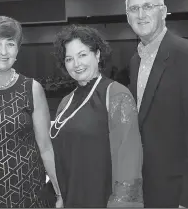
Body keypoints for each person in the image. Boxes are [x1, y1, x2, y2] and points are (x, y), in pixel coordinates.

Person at [0, 16, 62, 208]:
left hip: (29, 194)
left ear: (17, 50)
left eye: (10, 44)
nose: (3, 51)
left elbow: (45, 147)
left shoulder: (32, 88)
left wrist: (60, 191)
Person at [51, 24, 143, 207]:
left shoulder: (116, 94)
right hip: (72, 198)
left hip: (101, 199)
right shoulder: (66, 102)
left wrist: (121, 203)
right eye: (69, 58)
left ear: (98, 54)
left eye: (82, 55)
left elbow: (128, 158)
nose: (76, 64)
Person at [126, 0, 188, 208]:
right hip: (147, 189)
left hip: (178, 193)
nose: (141, 14)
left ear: (163, 11)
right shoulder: (136, 61)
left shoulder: (186, 56)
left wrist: (187, 199)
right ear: (127, 16)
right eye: (134, 9)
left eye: (148, 6)